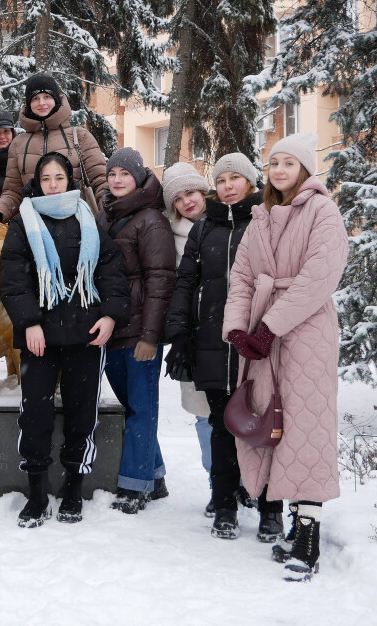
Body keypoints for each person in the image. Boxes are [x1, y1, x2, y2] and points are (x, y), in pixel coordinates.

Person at [223, 132, 348, 582]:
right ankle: (291, 518)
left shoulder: (323, 212)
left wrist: (269, 327)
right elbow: (241, 276)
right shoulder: (260, 216)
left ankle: (308, 536)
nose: (278, 170)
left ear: (305, 170)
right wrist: (238, 328)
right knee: (273, 424)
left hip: (306, 332)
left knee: (306, 429)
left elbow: (319, 278)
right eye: (272, 162)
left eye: (288, 163)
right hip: (260, 335)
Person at [0, 152, 131, 527]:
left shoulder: (86, 217)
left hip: (85, 334)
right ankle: (38, 492)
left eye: (59, 178)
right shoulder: (24, 221)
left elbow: (111, 270)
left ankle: (74, 486)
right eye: (46, 179)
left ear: (69, 181)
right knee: (35, 413)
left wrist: (109, 315)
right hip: (40, 335)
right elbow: (13, 278)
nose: (53, 184)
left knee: (81, 411)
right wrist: (29, 322)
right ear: (37, 183)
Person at [164, 152, 280, 541]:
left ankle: (269, 509)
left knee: (266, 427)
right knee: (221, 426)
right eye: (222, 178)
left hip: (258, 343)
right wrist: (180, 335)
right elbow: (185, 284)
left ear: (249, 182)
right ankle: (225, 504)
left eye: (236, 178)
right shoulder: (204, 229)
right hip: (212, 341)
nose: (228, 185)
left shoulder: (266, 221)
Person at [98, 148, 176, 515]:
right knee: (134, 407)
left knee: (141, 410)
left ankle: (135, 486)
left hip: (139, 333)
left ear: (138, 178)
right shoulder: (108, 215)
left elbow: (160, 282)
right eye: (112, 173)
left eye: (124, 174)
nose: (116, 179)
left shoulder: (151, 221)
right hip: (113, 330)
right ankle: (154, 475)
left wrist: (150, 335)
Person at [162, 161, 215, 517]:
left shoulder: (230, 222)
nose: (187, 202)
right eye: (178, 198)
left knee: (237, 413)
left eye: (191, 193)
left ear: (204, 192)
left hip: (228, 333)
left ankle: (245, 483)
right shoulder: (170, 235)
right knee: (204, 415)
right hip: (194, 336)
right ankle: (218, 483)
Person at [0, 74, 108, 222]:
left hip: (77, 225)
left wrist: (108, 214)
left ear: (56, 99)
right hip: (34, 227)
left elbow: (100, 181)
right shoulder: (18, 144)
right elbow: (13, 193)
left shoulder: (80, 137)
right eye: (35, 98)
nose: (41, 103)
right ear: (29, 104)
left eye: (47, 96)